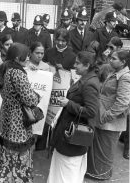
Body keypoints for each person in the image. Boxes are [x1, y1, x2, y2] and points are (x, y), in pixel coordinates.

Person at [48, 51, 100, 183]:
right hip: (69, 131)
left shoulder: (90, 84)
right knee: (65, 168)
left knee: (68, 169)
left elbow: (91, 111)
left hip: (74, 135)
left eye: (77, 63)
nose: (74, 65)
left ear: (87, 65)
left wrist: (68, 103)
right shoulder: (85, 79)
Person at [0, 43, 40, 182]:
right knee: (19, 150)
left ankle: (5, 176)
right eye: (26, 56)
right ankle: (18, 178)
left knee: (6, 149)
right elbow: (30, 99)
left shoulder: (4, 67)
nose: (28, 58)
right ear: (16, 57)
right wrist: (37, 96)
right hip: (18, 119)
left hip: (6, 115)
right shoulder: (18, 73)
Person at [86, 49, 130, 180]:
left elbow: (123, 103)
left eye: (114, 58)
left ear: (123, 62)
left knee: (104, 151)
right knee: (98, 149)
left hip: (110, 121)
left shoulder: (125, 77)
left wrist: (106, 116)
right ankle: (95, 173)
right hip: (102, 118)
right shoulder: (115, 72)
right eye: (110, 57)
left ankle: (100, 176)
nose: (110, 60)